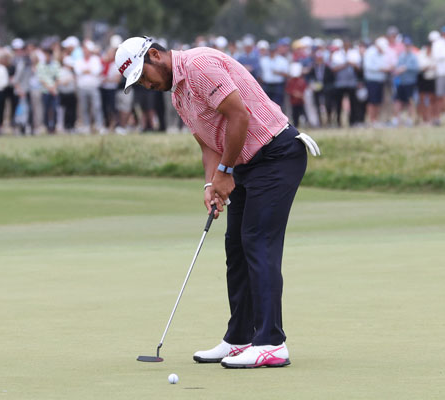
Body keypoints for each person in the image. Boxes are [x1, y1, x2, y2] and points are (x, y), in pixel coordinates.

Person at [115, 36, 319, 368]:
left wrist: (226, 172)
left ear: (155, 55)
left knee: (257, 241)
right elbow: (209, 143)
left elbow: (238, 116)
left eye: (143, 76)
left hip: (276, 155)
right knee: (236, 246)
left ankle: (272, 343)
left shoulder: (199, 66)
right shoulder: (179, 95)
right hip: (244, 162)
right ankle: (240, 338)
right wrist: (212, 183)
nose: (145, 85)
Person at [74, 40, 104, 134]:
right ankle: (86, 126)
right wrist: (88, 70)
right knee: (84, 108)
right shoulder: (79, 60)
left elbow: (96, 71)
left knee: (96, 107)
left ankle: (99, 125)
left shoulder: (95, 59)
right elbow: (78, 71)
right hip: (82, 87)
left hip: (93, 87)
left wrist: (86, 70)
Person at [392, 37, 419, 127]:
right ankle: (397, 119)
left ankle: (409, 119)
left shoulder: (413, 56)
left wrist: (406, 68)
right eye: (406, 45)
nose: (407, 47)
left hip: (410, 82)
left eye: (408, 45)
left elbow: (416, 68)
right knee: (398, 100)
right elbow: (397, 66)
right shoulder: (401, 56)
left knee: (409, 101)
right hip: (401, 82)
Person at [37, 48, 61, 133]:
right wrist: (49, 87)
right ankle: (47, 127)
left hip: (54, 91)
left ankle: (54, 126)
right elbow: (41, 79)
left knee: (54, 109)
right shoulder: (40, 65)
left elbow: (58, 78)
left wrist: (53, 87)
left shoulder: (56, 64)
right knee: (46, 109)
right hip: (45, 91)